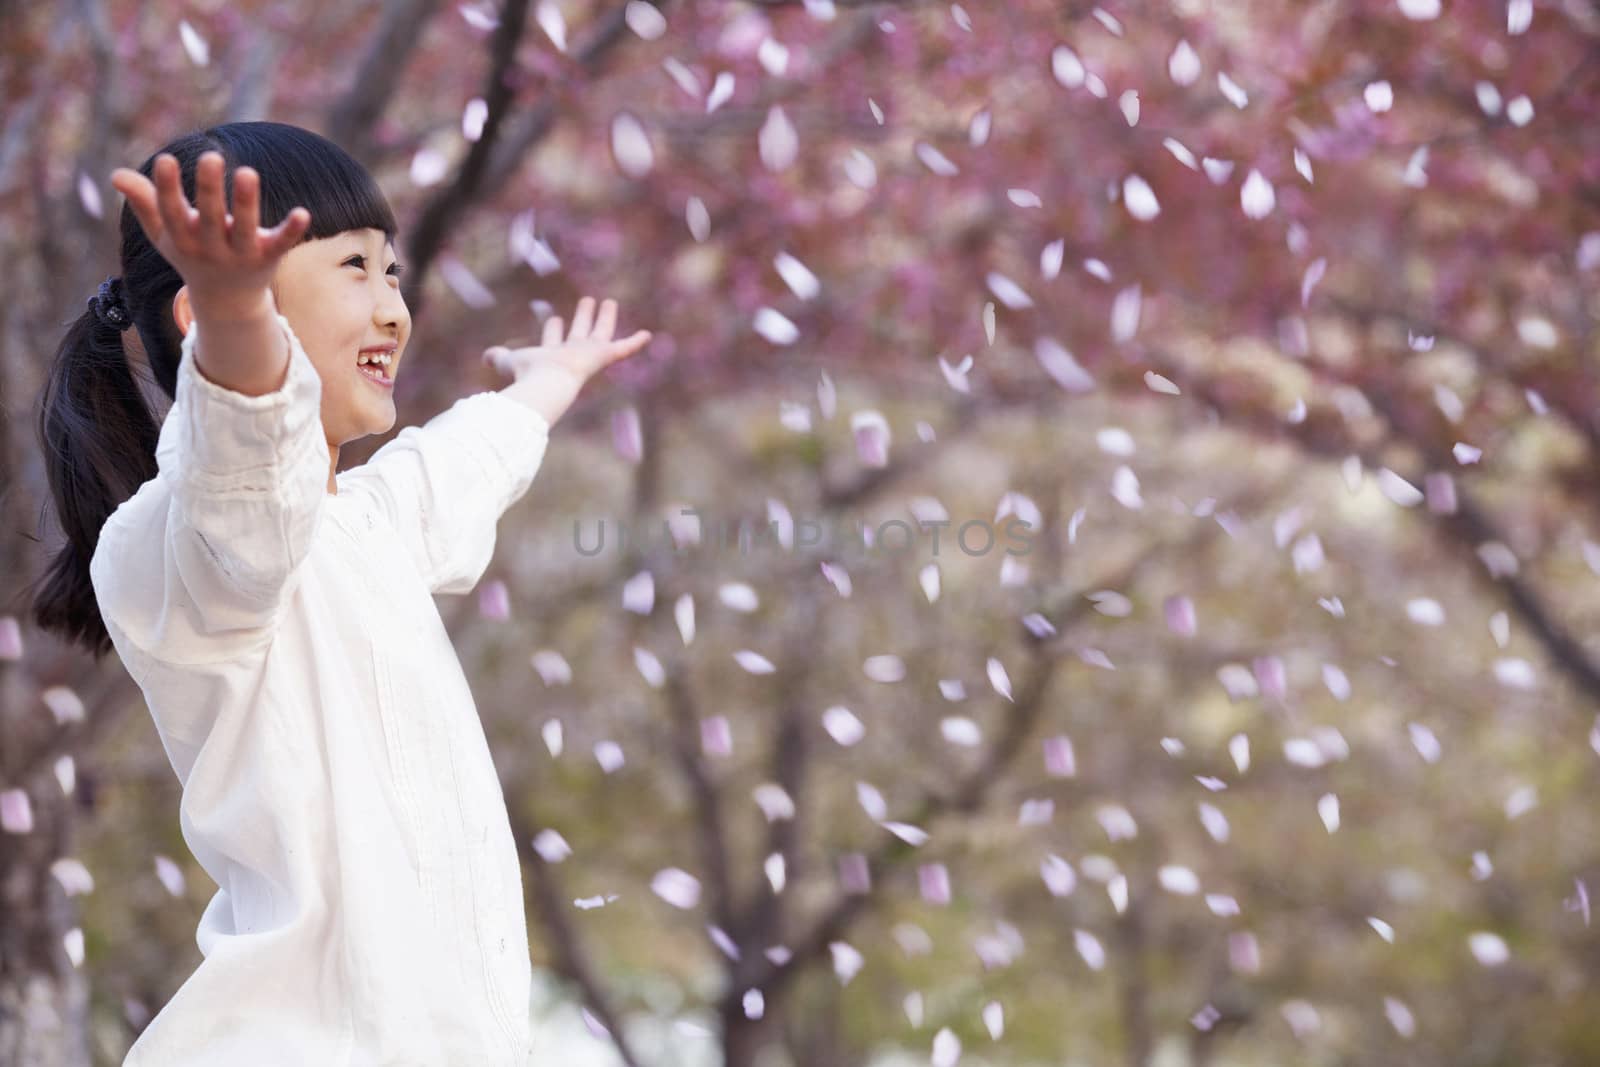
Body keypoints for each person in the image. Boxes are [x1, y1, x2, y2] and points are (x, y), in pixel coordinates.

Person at [27, 120, 652, 1064]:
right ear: (206, 316)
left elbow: (456, 467)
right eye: (354, 266)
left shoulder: (367, 527)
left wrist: (549, 382)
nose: (395, 307)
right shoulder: (190, 547)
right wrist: (240, 318)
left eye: (393, 272)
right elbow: (242, 465)